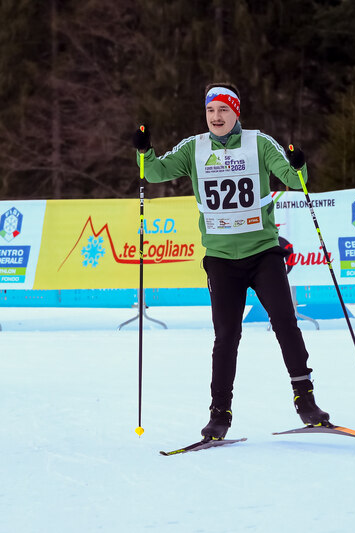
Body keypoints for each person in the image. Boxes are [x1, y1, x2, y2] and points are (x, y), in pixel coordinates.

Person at [133, 82, 330, 440]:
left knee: (285, 322)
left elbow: (293, 178)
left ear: (236, 112)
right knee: (226, 336)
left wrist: (299, 165)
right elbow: (155, 172)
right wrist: (144, 152)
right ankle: (219, 413)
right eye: (210, 110)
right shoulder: (194, 147)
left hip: (263, 252)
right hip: (221, 258)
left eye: (223, 109)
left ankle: (306, 400)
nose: (216, 116)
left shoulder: (259, 143)